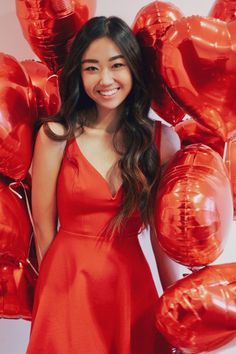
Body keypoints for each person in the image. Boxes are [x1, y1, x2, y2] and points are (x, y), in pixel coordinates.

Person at [26, 16, 180, 354]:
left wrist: (177, 306)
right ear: (79, 74)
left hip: (130, 287)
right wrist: (52, 298)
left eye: (116, 65)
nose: (105, 79)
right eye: (91, 68)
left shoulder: (160, 140)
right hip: (68, 283)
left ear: (133, 69)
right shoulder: (54, 136)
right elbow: (43, 229)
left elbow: (160, 236)